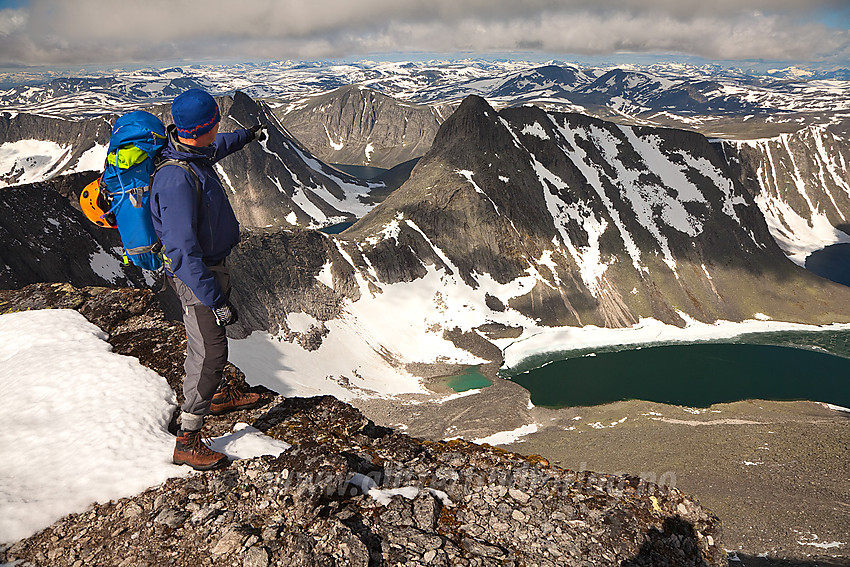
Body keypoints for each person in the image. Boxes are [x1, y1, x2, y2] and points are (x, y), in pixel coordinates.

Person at [150, 88, 267, 470]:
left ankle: (215, 397)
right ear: (205, 126)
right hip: (197, 276)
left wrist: (248, 135)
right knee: (210, 352)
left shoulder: (194, 152)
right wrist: (213, 299)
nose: (220, 130)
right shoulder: (176, 179)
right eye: (216, 123)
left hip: (211, 266)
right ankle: (189, 437)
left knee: (208, 347)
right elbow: (182, 251)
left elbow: (222, 145)